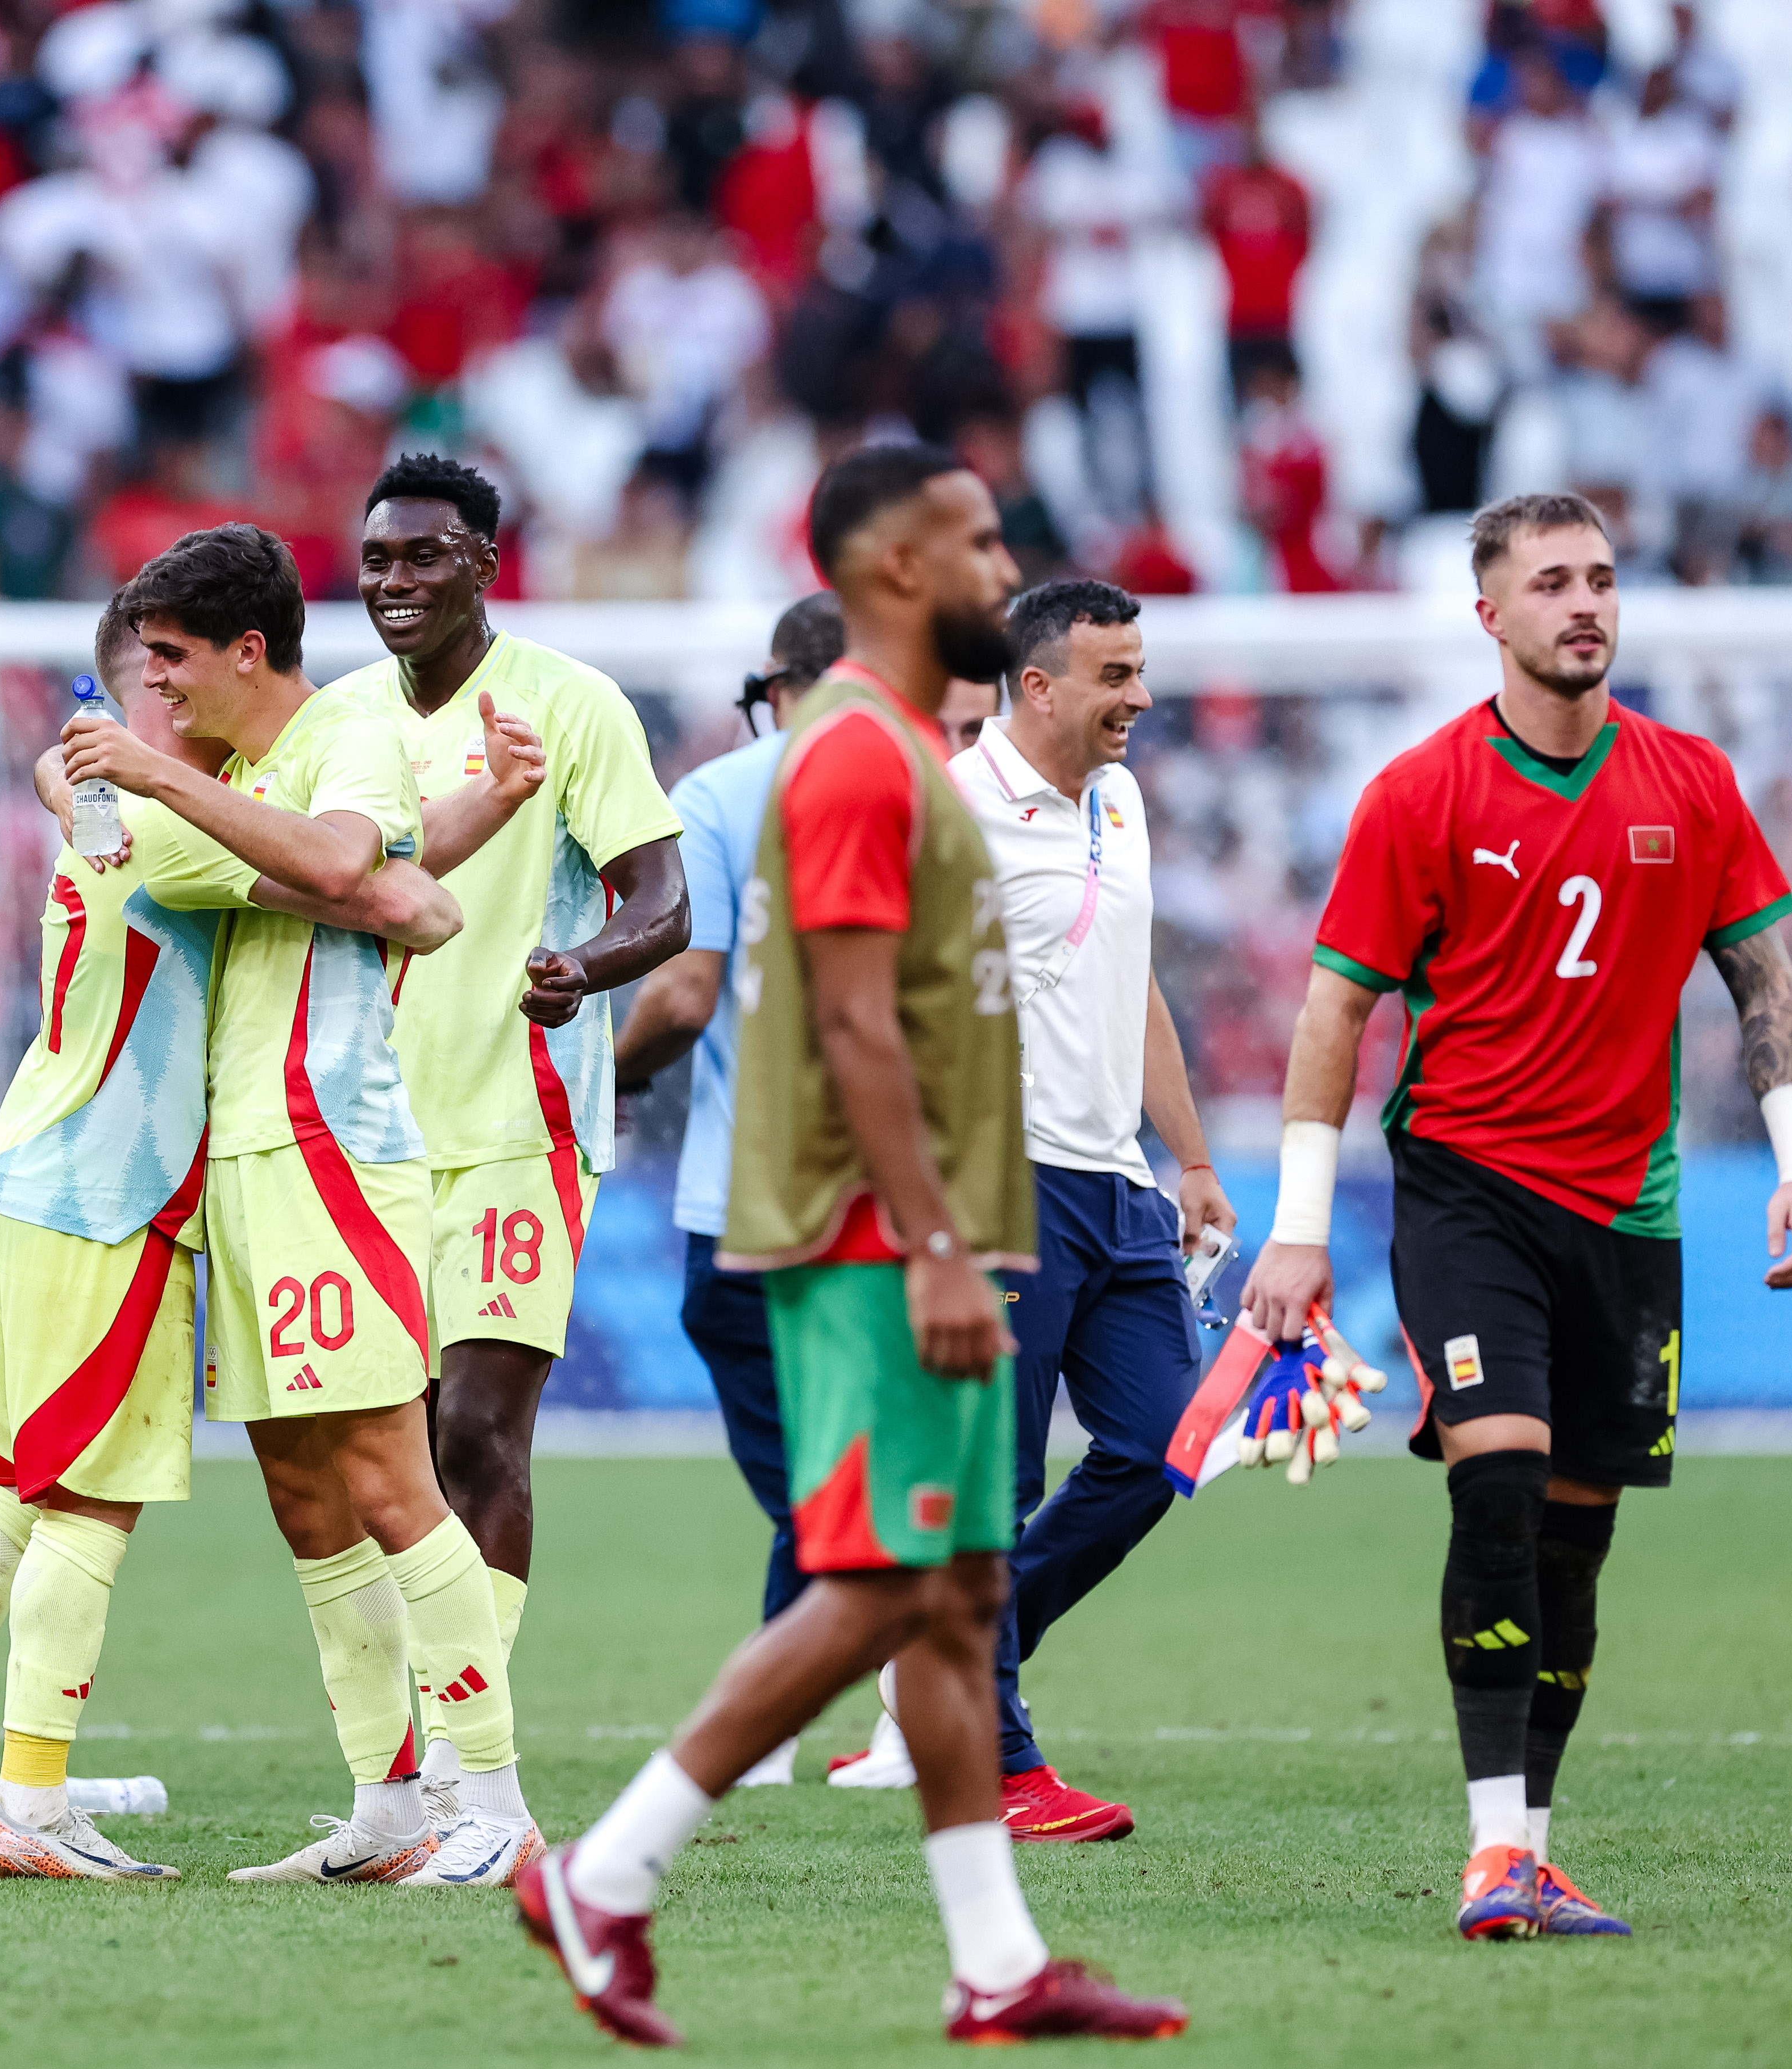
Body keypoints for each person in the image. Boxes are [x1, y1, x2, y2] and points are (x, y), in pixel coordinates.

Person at [518, 444, 1187, 2046]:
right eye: (974, 541)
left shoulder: (898, 752)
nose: (998, 565)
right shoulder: (849, 763)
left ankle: (994, 1964)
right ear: (895, 568)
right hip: (867, 1241)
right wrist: (943, 1245)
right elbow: (846, 1017)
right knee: (882, 1581)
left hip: (922, 1228)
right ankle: (602, 1874)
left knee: (954, 1596)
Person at [1242, 491, 1792, 1941]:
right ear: (1489, 615)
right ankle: (1490, 1852)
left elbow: (1764, 984)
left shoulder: (1690, 784)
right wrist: (1298, 1223)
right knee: (1496, 1476)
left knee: (1576, 1538)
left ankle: (1537, 1849)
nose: (1586, 603)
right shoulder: (1419, 793)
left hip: (1627, 1217)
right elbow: (1336, 1010)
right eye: (1551, 582)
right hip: (1467, 1192)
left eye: (1603, 580)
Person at [0, 601, 461, 1880]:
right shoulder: (168, 829)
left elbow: (315, 864)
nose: (187, 718)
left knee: (13, 1490)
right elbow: (390, 898)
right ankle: (33, 1805)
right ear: (125, 707)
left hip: (23, 1174)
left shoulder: (106, 812)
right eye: (162, 691)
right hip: (111, 1197)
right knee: (88, 1505)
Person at [53, 524, 524, 1887]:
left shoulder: (347, 734)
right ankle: (386, 1804)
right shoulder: (244, 770)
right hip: (241, 1163)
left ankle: (488, 1799)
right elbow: (387, 889)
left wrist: (148, 773)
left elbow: (343, 863)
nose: (155, 690)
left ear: (247, 650)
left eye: (172, 661)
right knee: (305, 1493)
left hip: (330, 1150)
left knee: (389, 1475)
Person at [321, 454, 685, 1839]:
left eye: (421, 558)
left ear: (482, 563)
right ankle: (408, 1791)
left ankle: (471, 1789)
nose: (392, 583)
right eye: (375, 561)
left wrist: (581, 968)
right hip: (358, 1138)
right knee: (385, 1460)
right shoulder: (340, 718)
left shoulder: (569, 704)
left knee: (476, 1432)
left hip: (514, 1127)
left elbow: (665, 901)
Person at [937, 578, 1234, 1842]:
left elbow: (1135, 983)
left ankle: (975, 1646)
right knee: (990, 1488)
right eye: (1116, 676)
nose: (1143, 698)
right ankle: (995, 1763)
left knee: (1170, 1445)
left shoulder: (1118, 797)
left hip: (1115, 1186)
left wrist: (1195, 1160)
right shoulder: (950, 814)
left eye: (1142, 670)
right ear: (1039, 685)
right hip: (1004, 1185)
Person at [608, 589, 839, 1791]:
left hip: (747, 1206)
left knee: (819, 1494)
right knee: (854, 1484)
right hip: (911, 1203)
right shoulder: (942, 789)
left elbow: (683, 992)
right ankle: (835, 1716)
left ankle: (766, 1727)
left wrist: (608, 1074)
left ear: (787, 685)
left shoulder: (722, 796)